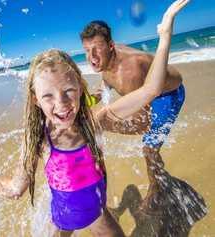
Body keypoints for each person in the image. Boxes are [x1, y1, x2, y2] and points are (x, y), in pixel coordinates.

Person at [0, 1, 188, 236]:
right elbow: (17, 188)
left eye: (69, 91)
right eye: (48, 96)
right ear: (36, 99)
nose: (62, 104)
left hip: (99, 216)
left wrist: (165, 35)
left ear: (80, 88)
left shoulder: (96, 121)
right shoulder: (38, 137)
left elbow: (151, 89)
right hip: (61, 218)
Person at [80, 3, 186, 212]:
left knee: (148, 147)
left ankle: (156, 190)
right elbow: (105, 89)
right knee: (98, 124)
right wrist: (88, 102)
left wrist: (104, 124)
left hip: (168, 95)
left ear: (110, 46)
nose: (91, 57)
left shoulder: (129, 72)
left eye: (97, 49)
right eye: (86, 50)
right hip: (149, 93)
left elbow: (143, 123)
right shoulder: (105, 62)